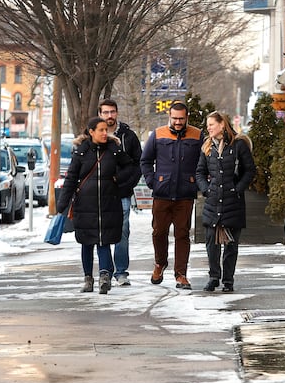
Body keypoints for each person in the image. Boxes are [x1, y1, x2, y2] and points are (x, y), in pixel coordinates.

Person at [57, 117, 140, 294]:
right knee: (87, 243)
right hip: (85, 205)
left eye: (106, 130)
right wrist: (62, 204)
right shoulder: (81, 152)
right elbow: (71, 178)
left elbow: (131, 168)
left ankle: (104, 276)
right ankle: (88, 278)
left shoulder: (114, 150)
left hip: (109, 203)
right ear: (91, 132)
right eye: (101, 130)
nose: (105, 133)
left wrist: (120, 181)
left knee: (104, 241)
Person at [140, 101, 203, 289]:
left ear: (187, 117)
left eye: (181, 119)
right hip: (162, 193)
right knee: (159, 232)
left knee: (182, 234)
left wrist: (197, 182)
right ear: (169, 116)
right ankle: (160, 264)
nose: (177, 122)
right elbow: (145, 160)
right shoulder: (158, 134)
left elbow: (204, 162)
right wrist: (153, 181)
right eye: (174, 118)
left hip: (185, 194)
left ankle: (181, 274)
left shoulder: (197, 135)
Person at [196, 111, 255, 293]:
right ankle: (214, 277)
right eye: (207, 125)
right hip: (213, 201)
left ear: (222, 124)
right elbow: (199, 172)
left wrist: (237, 189)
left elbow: (250, 170)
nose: (208, 128)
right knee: (211, 243)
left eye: (211, 124)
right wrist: (206, 189)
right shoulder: (207, 146)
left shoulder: (238, 145)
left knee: (231, 245)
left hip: (232, 202)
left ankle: (228, 280)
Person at [98, 98, 142, 286]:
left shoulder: (128, 136)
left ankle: (121, 271)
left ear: (117, 113)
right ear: (100, 114)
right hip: (100, 193)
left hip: (122, 193)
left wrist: (125, 183)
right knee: (103, 232)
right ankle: (105, 270)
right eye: (106, 112)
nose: (110, 115)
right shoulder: (93, 134)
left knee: (122, 231)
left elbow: (138, 164)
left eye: (112, 112)